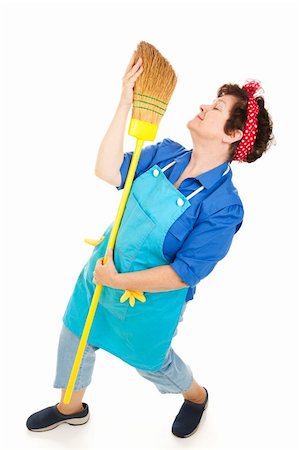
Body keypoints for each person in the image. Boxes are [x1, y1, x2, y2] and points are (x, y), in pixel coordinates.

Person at [26, 55, 274, 438]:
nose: (204, 106)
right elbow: (108, 171)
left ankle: (195, 396)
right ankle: (70, 408)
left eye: (217, 107)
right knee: (77, 331)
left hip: (148, 300)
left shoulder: (223, 205)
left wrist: (120, 282)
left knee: (152, 362)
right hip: (103, 269)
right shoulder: (165, 154)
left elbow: (183, 274)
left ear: (232, 135)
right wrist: (125, 103)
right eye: (211, 101)